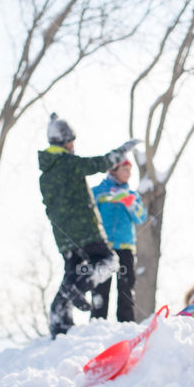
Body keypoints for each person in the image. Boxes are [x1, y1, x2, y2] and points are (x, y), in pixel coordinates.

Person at [38, 112, 139, 338]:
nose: (73, 145)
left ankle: (59, 321)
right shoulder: (69, 163)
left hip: (63, 236)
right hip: (85, 231)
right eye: (71, 140)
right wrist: (122, 151)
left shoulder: (45, 175)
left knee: (72, 272)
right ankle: (77, 288)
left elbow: (48, 206)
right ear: (65, 142)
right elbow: (100, 163)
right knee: (110, 261)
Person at [91, 155, 147, 322]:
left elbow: (141, 218)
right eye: (125, 169)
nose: (128, 174)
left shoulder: (132, 195)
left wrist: (131, 205)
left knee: (126, 285)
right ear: (113, 170)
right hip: (103, 246)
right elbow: (90, 214)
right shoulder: (98, 192)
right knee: (101, 285)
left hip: (126, 246)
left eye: (130, 171)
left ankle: (126, 322)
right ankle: (97, 321)